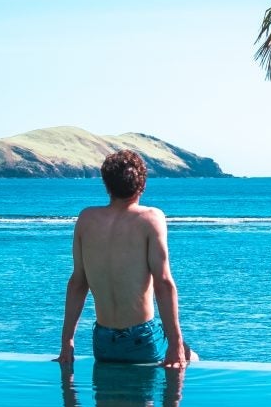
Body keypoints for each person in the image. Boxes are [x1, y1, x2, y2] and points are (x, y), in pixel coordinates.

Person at [59, 148, 196, 368]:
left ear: (106, 185)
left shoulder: (86, 219)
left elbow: (78, 283)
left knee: (107, 403)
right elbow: (163, 282)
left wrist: (67, 342)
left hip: (103, 341)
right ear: (142, 185)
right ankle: (173, 403)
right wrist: (176, 343)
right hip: (141, 338)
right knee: (190, 356)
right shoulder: (151, 218)